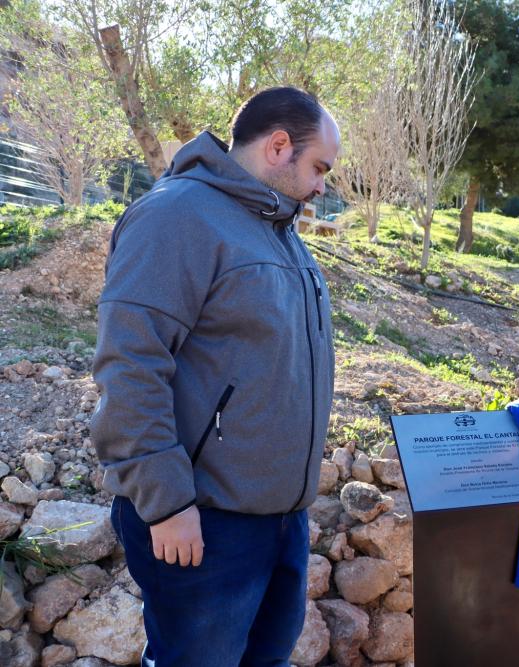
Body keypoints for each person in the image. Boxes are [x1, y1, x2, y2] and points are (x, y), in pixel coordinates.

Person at [91, 87, 340, 666]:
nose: (323, 186)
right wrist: (167, 504)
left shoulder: (280, 233)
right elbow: (129, 366)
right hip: (201, 523)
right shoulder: (177, 216)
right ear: (279, 146)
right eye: (318, 167)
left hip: (278, 524)